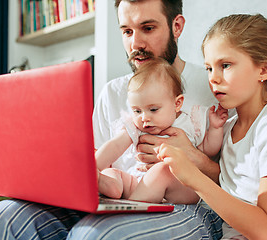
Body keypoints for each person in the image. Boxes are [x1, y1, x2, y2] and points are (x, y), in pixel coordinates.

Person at [0, 1, 225, 239]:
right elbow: (97, 160)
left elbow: (240, 182)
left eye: (148, 28)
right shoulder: (113, 92)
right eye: (127, 31)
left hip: (190, 203)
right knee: (0, 221)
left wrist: (194, 158)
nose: (135, 42)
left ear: (177, 26)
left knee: (96, 234)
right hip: (119, 196)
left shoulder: (214, 88)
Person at [156, 14, 267, 239]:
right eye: (209, 68)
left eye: (225, 65)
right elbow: (239, 184)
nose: (213, 78)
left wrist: (194, 178)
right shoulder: (228, 128)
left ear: (265, 70)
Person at [97, 58, 227, 204]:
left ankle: (132, 208)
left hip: (180, 186)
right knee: (112, 173)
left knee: (162, 170)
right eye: (137, 111)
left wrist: (216, 128)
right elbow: (114, 146)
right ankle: (112, 187)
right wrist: (94, 167)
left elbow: (208, 149)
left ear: (177, 104)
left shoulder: (189, 122)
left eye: (153, 109)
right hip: (139, 183)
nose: (144, 118)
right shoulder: (135, 127)